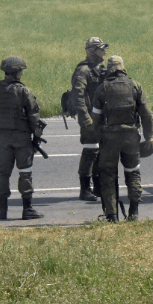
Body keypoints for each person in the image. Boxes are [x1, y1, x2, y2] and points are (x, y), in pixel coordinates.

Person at [92, 56, 153, 222]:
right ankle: (133, 213)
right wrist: (149, 137)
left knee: (107, 176)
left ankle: (111, 215)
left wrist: (100, 138)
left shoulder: (102, 88)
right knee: (133, 173)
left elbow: (96, 119)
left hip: (109, 139)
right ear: (122, 68)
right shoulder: (135, 86)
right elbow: (146, 115)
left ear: (110, 69)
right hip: (131, 138)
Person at [0, 56, 44, 220]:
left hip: (3, 139)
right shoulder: (23, 91)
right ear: (18, 72)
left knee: (3, 174)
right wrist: (37, 138)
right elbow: (34, 117)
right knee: (25, 172)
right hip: (21, 138)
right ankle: (27, 209)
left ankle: (2, 210)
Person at [68, 37, 107, 202]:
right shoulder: (84, 71)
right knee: (90, 152)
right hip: (90, 119)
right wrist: (86, 120)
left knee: (100, 153)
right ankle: (85, 190)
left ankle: (97, 187)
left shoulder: (99, 69)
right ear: (92, 51)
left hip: (101, 118)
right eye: (101, 49)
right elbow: (78, 97)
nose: (104, 52)